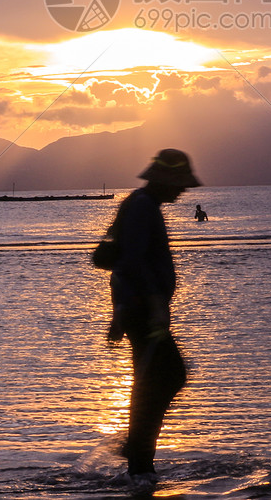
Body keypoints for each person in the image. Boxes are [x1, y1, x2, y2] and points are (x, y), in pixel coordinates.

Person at [107, 148, 201, 489]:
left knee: (153, 379)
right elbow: (130, 262)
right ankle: (138, 460)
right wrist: (156, 305)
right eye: (179, 183)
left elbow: (121, 262)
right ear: (164, 179)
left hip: (136, 308)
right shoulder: (143, 207)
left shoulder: (140, 204)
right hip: (145, 310)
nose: (183, 191)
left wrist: (118, 312)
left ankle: (140, 460)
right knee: (168, 375)